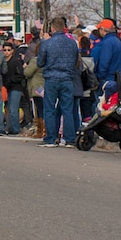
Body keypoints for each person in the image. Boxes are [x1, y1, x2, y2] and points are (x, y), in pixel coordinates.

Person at [36, 16, 80, 147]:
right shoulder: (72, 43)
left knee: (49, 108)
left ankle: (51, 137)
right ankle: (70, 138)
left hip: (52, 78)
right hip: (67, 78)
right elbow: (75, 61)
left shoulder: (47, 43)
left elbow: (40, 62)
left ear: (52, 28)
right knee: (68, 109)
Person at [2, 43, 26, 135]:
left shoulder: (16, 61)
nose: (6, 52)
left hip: (16, 87)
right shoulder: (3, 61)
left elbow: (20, 75)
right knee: (8, 109)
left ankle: (15, 129)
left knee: (13, 108)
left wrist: (10, 80)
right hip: (7, 87)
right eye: (5, 50)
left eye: (8, 50)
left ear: (12, 51)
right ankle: (11, 127)